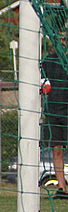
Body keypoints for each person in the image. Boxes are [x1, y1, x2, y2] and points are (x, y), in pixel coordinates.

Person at [42, 31, 68, 199]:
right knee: (56, 151)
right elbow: (43, 83)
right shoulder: (48, 61)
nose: (60, 40)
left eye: (63, 38)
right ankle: (62, 188)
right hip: (52, 111)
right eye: (58, 38)